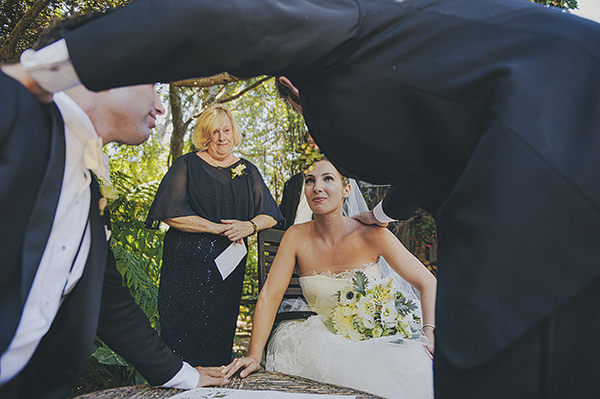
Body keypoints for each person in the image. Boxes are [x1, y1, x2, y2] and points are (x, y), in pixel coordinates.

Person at [12, 0, 600, 396]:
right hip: (517, 155)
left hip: (555, 134)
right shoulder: (26, 134)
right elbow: (432, 157)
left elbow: (229, 17)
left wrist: (41, 71)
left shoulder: (342, 26)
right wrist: (384, 214)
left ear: (291, 81)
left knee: (486, 361)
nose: (319, 146)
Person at [0, 16, 228, 398]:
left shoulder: (88, 189)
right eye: (152, 84)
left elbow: (108, 302)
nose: (160, 106)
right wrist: (42, 74)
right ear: (101, 64)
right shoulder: (16, 122)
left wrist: (183, 376)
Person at [222, 158, 436, 398]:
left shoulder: (374, 235)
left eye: (328, 179)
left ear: (347, 190)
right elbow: (270, 296)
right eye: (310, 180)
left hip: (377, 338)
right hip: (319, 338)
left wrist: (429, 333)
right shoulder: (295, 237)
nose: (317, 188)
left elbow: (427, 282)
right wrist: (254, 355)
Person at [145, 104, 282, 367]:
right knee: (180, 341)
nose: (222, 137)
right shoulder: (186, 165)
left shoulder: (248, 170)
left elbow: (271, 214)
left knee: (218, 337)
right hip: (184, 272)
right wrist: (215, 227)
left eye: (226, 130)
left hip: (227, 274)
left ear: (234, 132)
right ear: (205, 135)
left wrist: (249, 226)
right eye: (215, 131)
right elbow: (168, 213)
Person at [278, 132, 369, 229]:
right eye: (311, 142)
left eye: (319, 142)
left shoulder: (343, 178)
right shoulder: (292, 183)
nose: (316, 147)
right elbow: (281, 219)